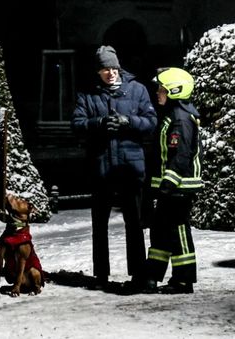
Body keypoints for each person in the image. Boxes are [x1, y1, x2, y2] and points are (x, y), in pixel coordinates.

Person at [70, 45, 157, 292]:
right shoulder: (88, 94)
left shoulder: (138, 90)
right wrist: (99, 123)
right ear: (98, 72)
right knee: (100, 224)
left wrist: (128, 121)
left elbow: (151, 123)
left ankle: (138, 273)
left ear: (119, 67)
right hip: (101, 167)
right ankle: (101, 275)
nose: (110, 73)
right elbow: (76, 124)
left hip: (130, 167)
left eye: (113, 68)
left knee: (134, 222)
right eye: (104, 69)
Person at [145, 67, 203, 294]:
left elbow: (181, 156)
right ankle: (153, 275)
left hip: (179, 187)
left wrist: (168, 184)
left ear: (174, 91)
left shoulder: (180, 118)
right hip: (172, 187)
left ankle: (184, 280)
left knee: (178, 231)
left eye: (162, 89)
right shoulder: (175, 114)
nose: (158, 93)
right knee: (161, 230)